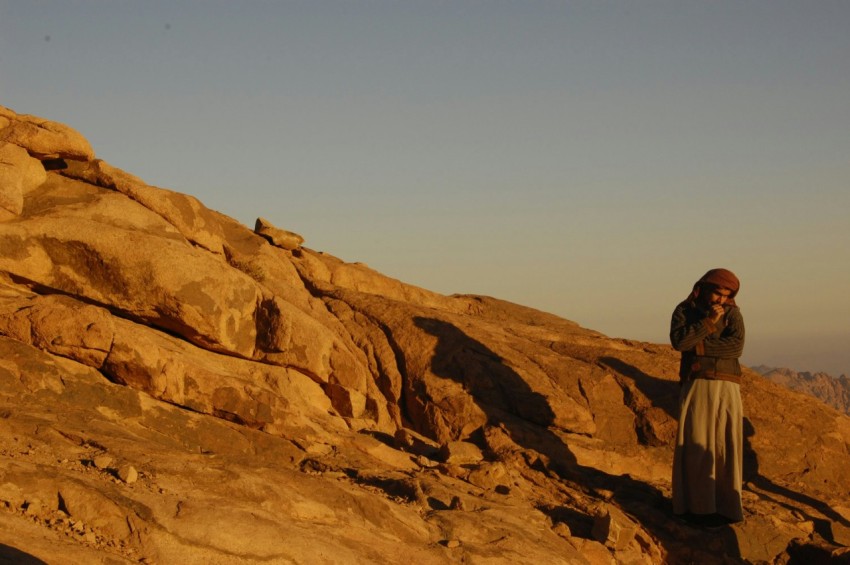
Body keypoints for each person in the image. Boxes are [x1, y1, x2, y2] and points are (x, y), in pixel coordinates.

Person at [670, 268, 745, 526]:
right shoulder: (685, 310)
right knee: (696, 445)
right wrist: (708, 324)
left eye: (726, 295)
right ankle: (697, 508)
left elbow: (736, 347)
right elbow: (680, 342)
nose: (720, 300)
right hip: (698, 381)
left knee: (726, 445)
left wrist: (699, 347)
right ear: (705, 288)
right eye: (717, 293)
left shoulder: (734, 313)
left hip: (728, 383)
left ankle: (726, 508)